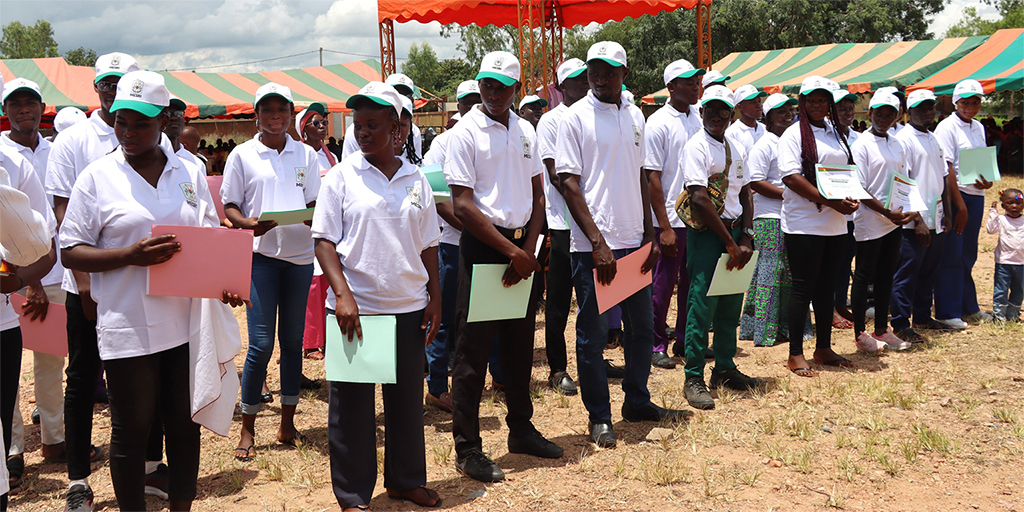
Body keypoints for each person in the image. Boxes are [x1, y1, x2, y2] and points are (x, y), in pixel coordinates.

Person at [60, 70, 245, 512]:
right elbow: (70, 250)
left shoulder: (190, 170)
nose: (128, 132)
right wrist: (129, 255)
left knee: (182, 424)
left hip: (185, 322)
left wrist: (225, 281)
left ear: (164, 120)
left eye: (141, 123)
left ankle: (181, 505)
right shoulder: (97, 177)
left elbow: (208, 236)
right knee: (131, 430)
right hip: (129, 325)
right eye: (121, 121)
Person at [312, 81, 442, 511]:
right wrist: (343, 295)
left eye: (373, 124)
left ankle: (406, 481)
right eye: (358, 124)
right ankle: (353, 495)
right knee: (351, 409)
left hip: (408, 306)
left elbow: (429, 243)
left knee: (405, 403)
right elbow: (324, 242)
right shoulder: (341, 177)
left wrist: (435, 297)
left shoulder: (415, 178)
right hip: (357, 311)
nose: (363, 132)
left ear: (397, 129)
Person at [557, 41, 685, 447]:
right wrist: (597, 242)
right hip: (595, 249)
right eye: (594, 70)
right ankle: (599, 416)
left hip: (634, 242)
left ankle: (637, 401)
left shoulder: (634, 115)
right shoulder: (574, 118)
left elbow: (642, 176)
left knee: (641, 330)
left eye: (610, 70)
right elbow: (568, 183)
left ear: (624, 74)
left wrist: (649, 234)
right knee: (593, 335)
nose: (600, 77)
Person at [445, 51, 562, 483]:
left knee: (518, 346)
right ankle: (468, 448)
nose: (493, 93)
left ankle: (521, 429)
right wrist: (513, 252)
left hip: (522, 250)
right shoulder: (465, 132)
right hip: (484, 247)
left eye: (502, 86)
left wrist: (528, 248)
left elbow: (538, 195)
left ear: (516, 89)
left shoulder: (525, 129)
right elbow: (462, 204)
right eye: (487, 85)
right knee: (472, 353)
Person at [45, 52, 140, 512]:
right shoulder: (73, 141)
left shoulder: (148, 136)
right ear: (96, 88)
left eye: (121, 83)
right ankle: (79, 480)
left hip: (136, 282)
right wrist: (84, 285)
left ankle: (145, 467)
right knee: (82, 379)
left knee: (139, 375)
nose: (112, 90)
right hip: (83, 283)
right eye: (106, 83)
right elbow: (65, 217)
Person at [221, 82, 321, 462]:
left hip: (299, 257)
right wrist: (247, 224)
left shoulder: (306, 154)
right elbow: (230, 206)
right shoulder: (242, 155)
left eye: (282, 110)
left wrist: (311, 216)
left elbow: (314, 201)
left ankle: (287, 425)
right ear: (257, 115)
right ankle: (247, 429)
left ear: (291, 114)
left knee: (292, 342)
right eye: (267, 110)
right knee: (261, 344)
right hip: (260, 257)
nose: (275, 116)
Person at [1, 77, 68, 490]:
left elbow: (53, 219)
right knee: (6, 365)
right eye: (15, 103)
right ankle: (11, 449)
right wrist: (30, 281)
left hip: (51, 268)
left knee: (50, 359)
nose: (23, 109)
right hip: (11, 275)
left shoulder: (54, 150)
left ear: (43, 108)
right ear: (5, 111)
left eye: (31, 102)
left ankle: (53, 439)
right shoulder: (3, 154)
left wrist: (43, 276)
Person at [678, 84, 762, 410]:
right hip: (709, 237)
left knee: (730, 304)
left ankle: (725, 368)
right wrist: (730, 241)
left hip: (736, 234)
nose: (716, 115)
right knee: (702, 307)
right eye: (710, 109)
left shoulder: (734, 148)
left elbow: (746, 194)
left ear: (731, 114)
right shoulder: (696, 146)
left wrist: (746, 236)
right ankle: (693, 376)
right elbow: (699, 197)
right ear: (701, 112)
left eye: (723, 110)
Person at [777, 76, 860, 378]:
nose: (817, 105)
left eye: (822, 100)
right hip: (804, 223)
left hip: (835, 223)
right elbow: (790, 177)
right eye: (811, 100)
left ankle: (823, 348)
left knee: (827, 287)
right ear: (802, 102)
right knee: (803, 288)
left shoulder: (835, 132)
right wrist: (831, 201)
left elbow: (845, 171)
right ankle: (795, 353)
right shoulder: (793, 134)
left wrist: (850, 197)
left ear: (829, 103)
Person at [421, 80, 480, 413]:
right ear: (457, 106)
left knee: (482, 315)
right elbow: (437, 199)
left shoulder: (490, 137)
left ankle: (491, 379)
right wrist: (474, 231)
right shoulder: (440, 145)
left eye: (477, 100)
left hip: (488, 242)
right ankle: (437, 387)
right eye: (466, 102)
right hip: (452, 243)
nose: (473, 106)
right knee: (444, 319)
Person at [643, 59, 705, 369]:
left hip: (698, 218)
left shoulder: (698, 117)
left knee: (692, 285)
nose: (696, 86)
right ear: (671, 87)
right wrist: (664, 227)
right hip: (670, 218)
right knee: (663, 286)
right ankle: (656, 344)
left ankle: (684, 340)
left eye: (697, 81)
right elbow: (652, 177)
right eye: (688, 82)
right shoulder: (658, 123)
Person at [889, 90, 963, 343]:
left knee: (929, 271)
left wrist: (948, 213)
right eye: (921, 108)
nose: (928, 112)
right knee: (907, 273)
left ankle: (922, 317)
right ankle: (900, 322)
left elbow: (943, 176)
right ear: (909, 111)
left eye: (931, 107)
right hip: (913, 222)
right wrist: (917, 220)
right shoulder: (903, 139)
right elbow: (903, 181)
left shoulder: (933, 138)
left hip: (936, 216)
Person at [537, 59, 589, 393]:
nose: (584, 83)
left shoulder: (592, 115)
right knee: (558, 300)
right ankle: (557, 368)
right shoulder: (550, 121)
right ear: (560, 87)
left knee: (592, 299)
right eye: (576, 79)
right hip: (563, 223)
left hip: (593, 222)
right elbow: (557, 176)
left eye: (586, 77)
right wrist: (588, 204)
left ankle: (591, 360)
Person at [849, 90, 914, 352]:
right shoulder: (861, 144)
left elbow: (904, 180)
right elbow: (859, 187)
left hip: (893, 219)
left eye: (890, 115)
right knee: (864, 276)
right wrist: (886, 212)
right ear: (870, 113)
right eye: (879, 114)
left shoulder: (897, 143)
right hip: (871, 218)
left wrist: (908, 210)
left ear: (897, 116)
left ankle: (881, 330)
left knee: (887, 274)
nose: (884, 119)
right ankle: (860, 333)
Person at [739, 92, 799, 347]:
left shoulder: (792, 143)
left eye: (790, 111)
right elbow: (755, 181)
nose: (788, 116)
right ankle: (763, 332)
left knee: (786, 274)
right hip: (768, 217)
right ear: (770, 118)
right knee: (769, 274)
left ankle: (782, 327)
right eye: (781, 112)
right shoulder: (764, 145)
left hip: (790, 215)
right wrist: (789, 194)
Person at [934, 79, 994, 328]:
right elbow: (947, 168)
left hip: (975, 196)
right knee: (951, 254)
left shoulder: (978, 127)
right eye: (965, 102)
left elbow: (981, 161)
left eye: (975, 102)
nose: (970, 107)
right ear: (955, 102)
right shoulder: (946, 127)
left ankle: (968, 306)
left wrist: (987, 182)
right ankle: (947, 311)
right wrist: (960, 207)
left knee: (968, 253)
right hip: (955, 196)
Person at [296, 102, 336, 362]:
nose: (322, 127)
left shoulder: (331, 157)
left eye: (324, 122)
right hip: (305, 226)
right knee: (311, 286)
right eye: (316, 123)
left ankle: (327, 337)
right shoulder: (299, 156)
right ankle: (310, 342)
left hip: (328, 225)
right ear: (303, 129)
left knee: (326, 283)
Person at [831, 89, 860, 330]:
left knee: (846, 261)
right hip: (832, 209)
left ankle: (840, 303)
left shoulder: (859, 138)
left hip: (854, 212)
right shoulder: (826, 137)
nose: (847, 113)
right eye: (842, 109)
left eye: (850, 108)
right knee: (831, 263)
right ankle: (829, 306)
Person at [343, 73, 422, 160]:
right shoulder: (353, 132)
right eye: (394, 92)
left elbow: (417, 162)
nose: (399, 97)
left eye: (406, 95)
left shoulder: (414, 132)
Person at [986, 189, 1024, 322]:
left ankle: (1013, 315)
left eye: (1018, 203)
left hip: (1021, 263)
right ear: (1003, 205)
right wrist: (993, 213)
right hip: (1004, 263)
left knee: (1019, 290)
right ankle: (999, 317)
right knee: (1001, 290)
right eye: (1010, 203)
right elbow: (991, 230)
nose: (1014, 206)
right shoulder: (1002, 220)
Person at [725, 84, 767, 155]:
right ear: (740, 107)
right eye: (753, 102)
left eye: (759, 101)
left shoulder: (765, 129)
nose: (758, 105)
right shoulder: (731, 133)